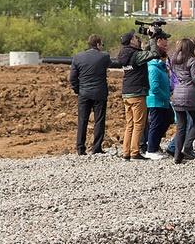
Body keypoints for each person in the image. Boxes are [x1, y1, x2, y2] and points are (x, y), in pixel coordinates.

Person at [69, 34, 111, 155]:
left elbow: (72, 78)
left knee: (82, 120)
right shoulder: (104, 56)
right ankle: (96, 147)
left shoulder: (78, 57)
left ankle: (80, 148)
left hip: (84, 93)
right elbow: (109, 64)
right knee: (99, 120)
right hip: (100, 93)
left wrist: (78, 90)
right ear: (98, 45)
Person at [112, 29, 151, 161]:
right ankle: (135, 152)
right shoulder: (135, 55)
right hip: (137, 92)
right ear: (131, 41)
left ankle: (126, 152)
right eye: (135, 38)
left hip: (126, 92)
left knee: (130, 124)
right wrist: (152, 38)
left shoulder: (123, 55)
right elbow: (152, 54)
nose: (137, 39)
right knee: (139, 123)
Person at [170, 38, 195, 163]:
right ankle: (187, 146)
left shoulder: (174, 59)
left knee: (181, 126)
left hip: (177, 93)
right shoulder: (191, 60)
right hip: (189, 94)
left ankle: (177, 156)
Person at [143, 33, 172, 160]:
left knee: (164, 121)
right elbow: (154, 87)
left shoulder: (160, 68)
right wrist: (165, 96)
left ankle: (154, 146)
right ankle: (151, 149)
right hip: (156, 101)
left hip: (162, 101)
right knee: (155, 124)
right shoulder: (153, 68)